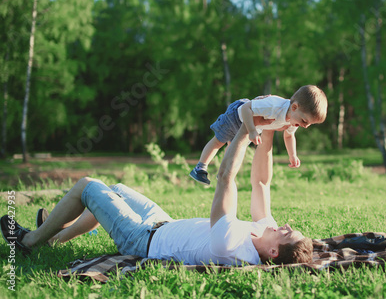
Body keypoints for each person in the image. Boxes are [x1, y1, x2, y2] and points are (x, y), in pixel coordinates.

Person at [1, 124, 313, 266]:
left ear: (274, 252)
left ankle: (28, 242)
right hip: (162, 223)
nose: (283, 225)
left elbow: (225, 178)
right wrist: (272, 126)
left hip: (142, 240)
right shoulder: (263, 230)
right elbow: (260, 182)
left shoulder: (234, 246)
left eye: (286, 233)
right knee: (117, 191)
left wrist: (246, 129)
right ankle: (53, 237)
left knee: (87, 185)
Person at [190, 85, 328, 185]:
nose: (305, 126)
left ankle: (223, 175)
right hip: (236, 116)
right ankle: (200, 168)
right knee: (219, 141)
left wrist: (293, 155)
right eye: (305, 121)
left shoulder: (293, 120)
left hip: (251, 126)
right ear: (294, 107)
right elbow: (246, 108)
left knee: (234, 150)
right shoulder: (274, 105)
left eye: (310, 124)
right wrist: (251, 130)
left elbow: (289, 136)